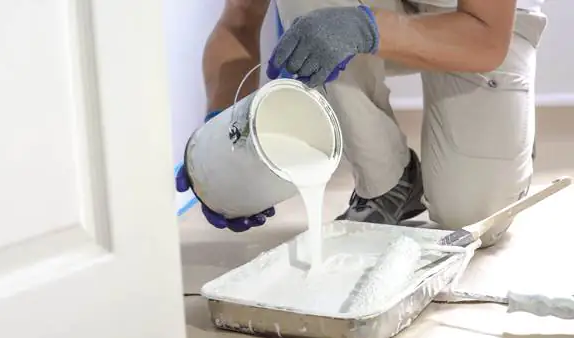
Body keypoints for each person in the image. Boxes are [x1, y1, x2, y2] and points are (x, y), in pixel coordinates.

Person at [176, 0, 547, 247]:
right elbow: (239, 22)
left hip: (476, 22)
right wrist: (224, 131)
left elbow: (485, 36)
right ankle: (386, 181)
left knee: (474, 216)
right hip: (370, 7)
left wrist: (365, 28)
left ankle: (513, 140)